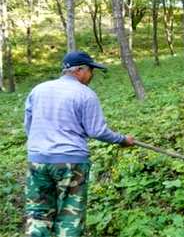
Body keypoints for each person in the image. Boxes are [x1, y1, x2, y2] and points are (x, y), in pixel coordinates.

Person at [24, 51, 134, 236]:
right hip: (71, 162)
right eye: (91, 70)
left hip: (37, 160)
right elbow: (96, 131)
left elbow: (29, 125)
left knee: (38, 214)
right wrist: (122, 139)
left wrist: (40, 145)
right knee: (70, 216)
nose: (92, 75)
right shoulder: (85, 94)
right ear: (80, 70)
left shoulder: (38, 90)